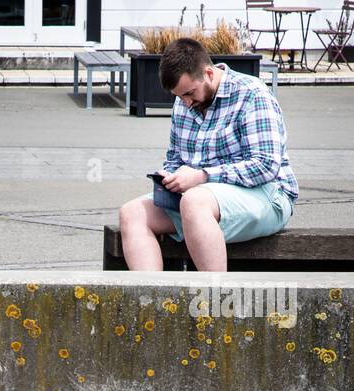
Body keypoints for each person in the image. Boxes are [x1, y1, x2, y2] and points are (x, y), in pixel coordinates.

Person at [118, 37, 299, 272]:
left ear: (209, 74)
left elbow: (266, 166)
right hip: (202, 199)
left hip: (268, 195)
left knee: (195, 202)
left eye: (190, 93)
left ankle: (214, 303)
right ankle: (154, 303)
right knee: (132, 213)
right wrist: (171, 177)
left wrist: (203, 176)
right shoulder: (185, 101)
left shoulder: (252, 94)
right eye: (179, 96)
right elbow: (175, 158)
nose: (186, 102)